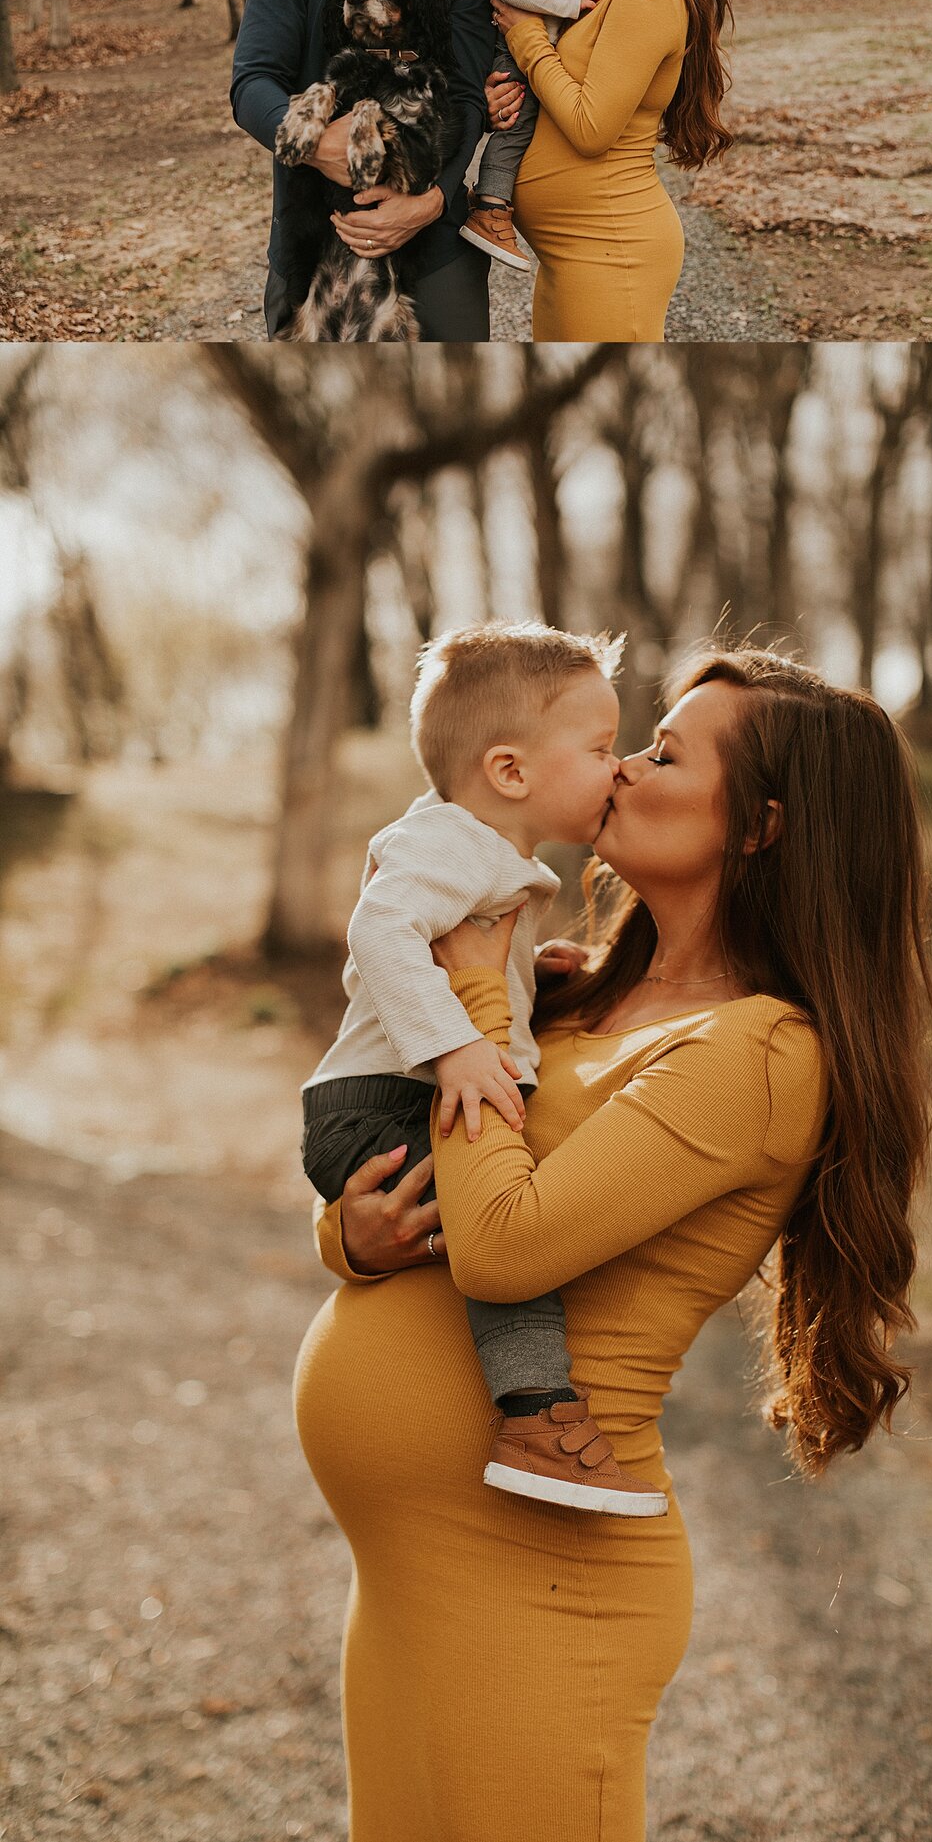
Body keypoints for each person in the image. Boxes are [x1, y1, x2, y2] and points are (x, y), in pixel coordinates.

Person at [294, 645, 932, 1842]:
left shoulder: (757, 1054)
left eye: (664, 752)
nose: (624, 770)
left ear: (757, 825)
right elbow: (417, 1171)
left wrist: (473, 990)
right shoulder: (586, 997)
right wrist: (356, 1240)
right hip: (411, 1573)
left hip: (539, 1591)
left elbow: (501, 1248)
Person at [301, 622, 660, 1514]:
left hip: (400, 1088)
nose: (618, 767)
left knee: (500, 1226)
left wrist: (522, 975)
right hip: (391, 1094)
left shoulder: (483, 852)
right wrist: (458, 1043)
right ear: (510, 771)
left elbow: (445, 949)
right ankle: (536, 1416)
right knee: (507, 1235)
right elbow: (380, 931)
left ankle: (530, 1411)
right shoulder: (454, 843)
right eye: (601, 747)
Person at [230, 0, 493, 343]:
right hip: (312, 244)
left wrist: (433, 202)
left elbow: (468, 101)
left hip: (434, 250)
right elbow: (252, 83)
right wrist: (317, 142)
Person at [486, 0, 732, 342]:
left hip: (609, 249)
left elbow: (591, 127)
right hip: (569, 254)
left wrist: (525, 37)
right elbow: (557, 90)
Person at [460, 0, 594, 274]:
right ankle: (490, 208)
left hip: (544, 48)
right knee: (515, 126)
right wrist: (570, 2)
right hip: (514, 52)